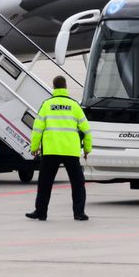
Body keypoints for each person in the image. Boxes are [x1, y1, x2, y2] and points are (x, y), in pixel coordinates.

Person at [26, 76, 91, 222]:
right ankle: (79, 213)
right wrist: (87, 148)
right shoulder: (74, 105)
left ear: (54, 87)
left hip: (51, 151)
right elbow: (86, 129)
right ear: (65, 86)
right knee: (77, 183)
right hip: (71, 151)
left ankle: (41, 212)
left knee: (45, 183)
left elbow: (37, 129)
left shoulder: (47, 105)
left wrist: (34, 147)